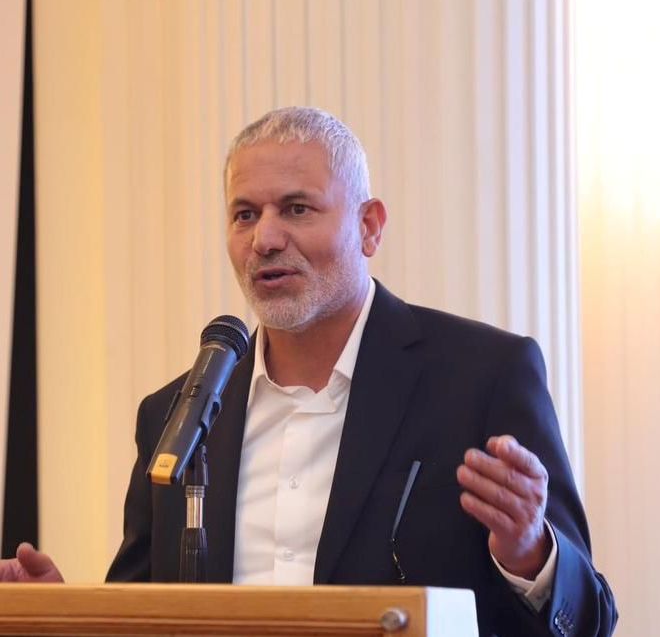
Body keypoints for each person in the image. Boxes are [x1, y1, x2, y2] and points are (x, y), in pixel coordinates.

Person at [0, 107, 616, 636]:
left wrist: (531, 555)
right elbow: (143, 614)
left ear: (369, 226)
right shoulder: (177, 418)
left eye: (296, 209)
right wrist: (57, 614)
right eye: (244, 214)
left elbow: (592, 618)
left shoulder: (480, 377)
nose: (265, 239)